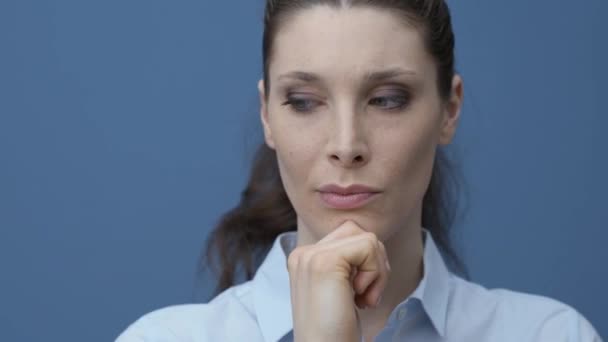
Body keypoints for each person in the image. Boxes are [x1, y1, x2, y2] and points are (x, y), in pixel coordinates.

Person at [116, 0, 603, 341]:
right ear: (267, 114)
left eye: (387, 100)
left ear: (449, 110)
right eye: (305, 102)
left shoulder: (550, 335)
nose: (346, 146)